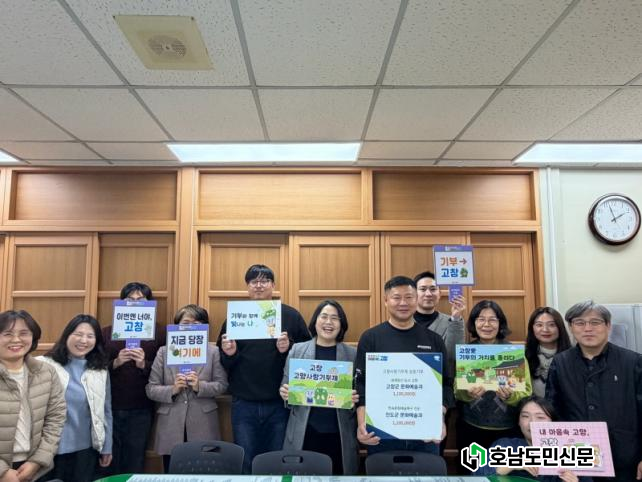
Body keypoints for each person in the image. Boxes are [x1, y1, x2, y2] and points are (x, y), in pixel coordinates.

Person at [217, 264, 311, 473]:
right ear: (247, 286)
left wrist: (287, 349)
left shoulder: (290, 316)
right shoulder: (236, 317)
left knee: (277, 460)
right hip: (243, 402)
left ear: (273, 285)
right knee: (246, 460)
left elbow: (308, 354)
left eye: (264, 281)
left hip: (280, 402)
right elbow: (223, 362)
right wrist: (230, 354)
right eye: (254, 281)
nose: (259, 285)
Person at [354, 275, 454, 455]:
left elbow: (446, 384)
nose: (403, 303)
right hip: (381, 432)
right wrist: (362, 422)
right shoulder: (371, 338)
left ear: (416, 300)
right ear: (386, 301)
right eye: (396, 297)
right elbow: (360, 383)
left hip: (425, 432)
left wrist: (439, 418)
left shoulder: (434, 340)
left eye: (409, 297)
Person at [546, 300, 642, 481]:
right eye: (580, 323)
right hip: (578, 458)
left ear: (608, 326)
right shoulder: (560, 362)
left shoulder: (633, 361)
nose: (587, 328)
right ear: (571, 328)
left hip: (625, 457)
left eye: (595, 322)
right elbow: (552, 410)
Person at [279, 300, 359, 475]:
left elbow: (359, 394)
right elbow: (285, 386)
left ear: (342, 324)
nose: (328, 322)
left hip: (339, 434)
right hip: (305, 431)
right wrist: (285, 393)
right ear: (315, 321)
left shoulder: (352, 354)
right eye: (324, 317)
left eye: (335, 318)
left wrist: (354, 399)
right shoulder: (297, 350)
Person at [147, 304, 228, 473]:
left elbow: (222, 385)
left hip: (203, 424)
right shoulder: (164, 352)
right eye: (186, 323)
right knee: (172, 473)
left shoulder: (213, 351)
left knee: (204, 473)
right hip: (171, 424)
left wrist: (200, 386)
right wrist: (173, 389)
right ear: (177, 326)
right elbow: (151, 389)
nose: (191, 327)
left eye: (197, 324)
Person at [39, 314, 113, 482]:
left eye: (90, 336)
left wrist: (107, 446)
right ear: (67, 335)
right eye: (78, 334)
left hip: (85, 450)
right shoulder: (45, 365)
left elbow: (106, 410)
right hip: (47, 448)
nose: (83, 340)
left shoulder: (100, 370)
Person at [101, 281, 164, 475]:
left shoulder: (159, 333)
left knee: (135, 458)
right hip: (110, 405)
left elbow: (166, 370)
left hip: (141, 405)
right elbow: (93, 367)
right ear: (121, 303)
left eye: (141, 299)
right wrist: (115, 362)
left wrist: (144, 364)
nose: (135, 303)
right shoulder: (106, 332)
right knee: (109, 458)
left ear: (149, 303)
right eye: (130, 299)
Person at [455, 300, 532, 454]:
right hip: (471, 427)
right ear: (474, 323)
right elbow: (457, 390)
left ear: (500, 323)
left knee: (504, 469)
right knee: (472, 468)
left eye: (492, 320)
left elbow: (527, 391)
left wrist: (511, 396)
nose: (486, 324)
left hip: (508, 429)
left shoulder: (512, 352)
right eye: (481, 319)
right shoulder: (467, 352)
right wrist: (467, 393)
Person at [0, 310, 66, 482]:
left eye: (24, 333)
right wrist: (2, 472)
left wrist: (37, 461)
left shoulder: (46, 372)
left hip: (35, 468)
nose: (16, 339)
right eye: (7, 334)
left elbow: (56, 418)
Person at [477, 396, 586, 482]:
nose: (532, 422)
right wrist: (510, 464)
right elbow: (476, 477)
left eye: (540, 417)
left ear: (552, 422)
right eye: (525, 416)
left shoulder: (569, 452)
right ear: (519, 422)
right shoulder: (504, 445)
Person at [413, 270, 466, 369]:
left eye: (433, 289)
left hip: (442, 377)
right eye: (423, 289)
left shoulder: (451, 321)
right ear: (414, 293)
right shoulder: (404, 321)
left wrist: (455, 318)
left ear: (439, 294)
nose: (428, 294)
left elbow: (454, 356)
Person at [525, 307, 572, 398]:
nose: (545, 329)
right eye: (539, 325)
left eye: (551, 325)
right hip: (531, 406)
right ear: (532, 328)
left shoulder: (573, 356)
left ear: (560, 327)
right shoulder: (523, 356)